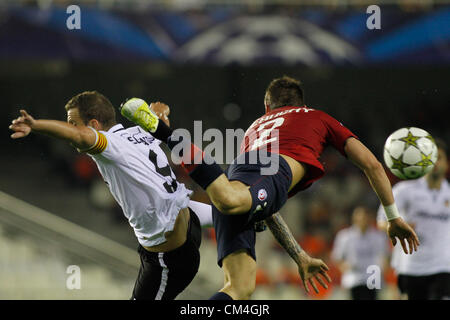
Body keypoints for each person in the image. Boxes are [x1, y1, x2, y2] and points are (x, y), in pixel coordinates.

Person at [120, 76, 420, 300]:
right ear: (301, 103)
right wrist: (393, 217)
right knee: (226, 199)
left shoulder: (255, 127)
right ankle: (163, 131)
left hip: (242, 176)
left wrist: (300, 256)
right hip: (266, 174)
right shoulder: (317, 116)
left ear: (267, 107)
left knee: (240, 288)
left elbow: (264, 205)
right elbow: (372, 165)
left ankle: (168, 136)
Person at [8, 91, 213, 300]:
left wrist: (36, 125)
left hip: (168, 255)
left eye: (73, 123)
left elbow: (79, 136)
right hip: (187, 221)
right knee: (232, 213)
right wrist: (160, 110)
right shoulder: (141, 131)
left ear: (95, 124)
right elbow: (160, 114)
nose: (70, 130)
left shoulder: (110, 145)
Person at [377, 138, 450, 300]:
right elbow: (381, 221)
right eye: (430, 157)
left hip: (443, 266)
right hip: (410, 266)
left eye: (439, 158)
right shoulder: (404, 190)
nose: (435, 162)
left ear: (447, 164)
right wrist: (397, 225)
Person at [332, 206, 389, 300]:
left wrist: (382, 269)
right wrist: (345, 267)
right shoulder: (345, 236)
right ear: (354, 218)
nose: (363, 220)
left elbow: (385, 257)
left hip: (373, 278)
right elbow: (337, 258)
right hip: (353, 278)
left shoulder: (378, 236)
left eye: (365, 217)